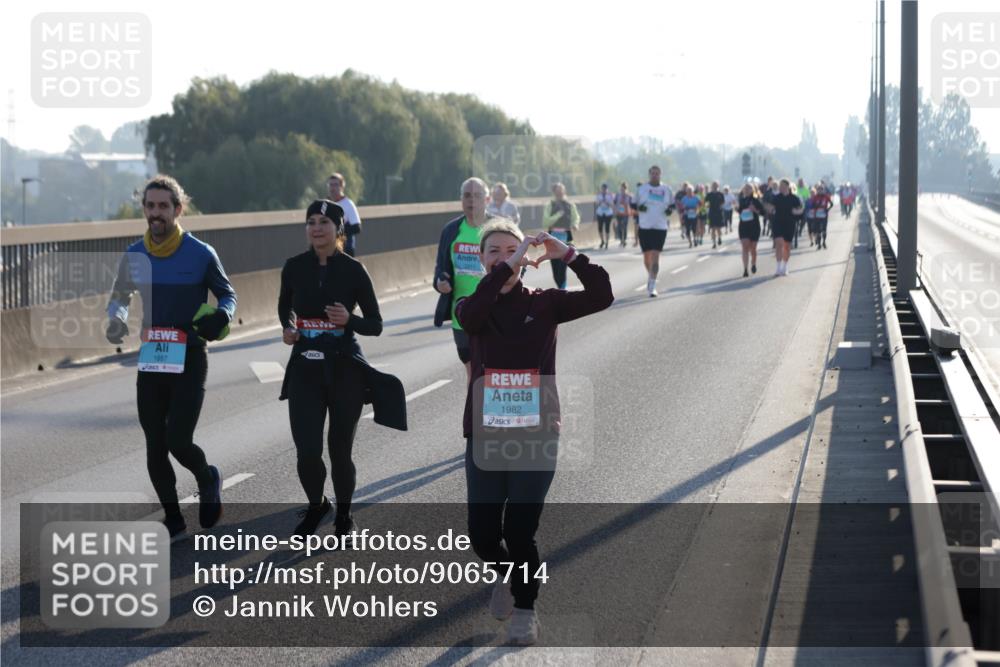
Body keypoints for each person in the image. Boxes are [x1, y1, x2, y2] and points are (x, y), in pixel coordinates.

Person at [456, 220, 614, 645]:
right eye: (494, 251)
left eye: (512, 249)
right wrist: (504, 271)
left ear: (527, 257)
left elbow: (603, 295)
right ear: (481, 258)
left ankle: (526, 606)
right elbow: (470, 319)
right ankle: (508, 575)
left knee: (520, 530)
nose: (504, 256)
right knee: (484, 535)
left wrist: (568, 255)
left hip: (538, 433)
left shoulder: (546, 303)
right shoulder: (473, 305)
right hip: (486, 434)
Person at [106, 175, 236, 542]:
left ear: (178, 210)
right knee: (154, 444)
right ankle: (174, 518)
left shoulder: (200, 253)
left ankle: (207, 476)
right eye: (150, 206)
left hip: (190, 356)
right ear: (144, 209)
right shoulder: (134, 255)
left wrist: (223, 315)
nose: (156, 213)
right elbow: (119, 296)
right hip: (153, 358)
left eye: (163, 206)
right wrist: (115, 319)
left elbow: (227, 293)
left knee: (178, 439)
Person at [278, 199, 405, 537]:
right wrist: (289, 329)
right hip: (305, 368)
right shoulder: (293, 267)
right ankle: (318, 504)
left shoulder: (353, 270)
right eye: (311, 222)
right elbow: (285, 310)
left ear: (339, 229)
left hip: (344, 369)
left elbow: (375, 325)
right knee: (306, 452)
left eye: (324, 222)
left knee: (339, 450)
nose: (316, 227)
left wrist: (350, 320)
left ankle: (345, 515)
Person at [433, 177, 493, 383]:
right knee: (472, 369)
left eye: (477, 196)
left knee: (489, 368)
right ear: (461, 200)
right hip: (462, 314)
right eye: (467, 196)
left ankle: (486, 413)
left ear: (487, 199)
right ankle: (475, 414)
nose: (472, 201)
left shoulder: (498, 228)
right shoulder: (451, 230)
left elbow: (516, 267)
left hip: (493, 311)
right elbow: (441, 269)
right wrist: (441, 283)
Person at [635, 166, 675, 296]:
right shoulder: (642, 189)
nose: (655, 175)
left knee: (655, 255)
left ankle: (652, 284)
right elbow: (632, 204)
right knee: (647, 257)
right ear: (649, 174)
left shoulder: (666, 189)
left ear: (660, 174)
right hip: (645, 226)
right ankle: (651, 276)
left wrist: (669, 210)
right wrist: (639, 208)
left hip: (660, 227)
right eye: (652, 173)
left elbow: (672, 205)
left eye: (657, 173)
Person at [541, 182, 581, 289]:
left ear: (564, 191)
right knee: (555, 269)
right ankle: (561, 289)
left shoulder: (570, 205)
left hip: (566, 238)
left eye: (561, 191)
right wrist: (558, 215)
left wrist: (575, 224)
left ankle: (562, 291)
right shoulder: (550, 205)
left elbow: (575, 217)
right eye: (557, 191)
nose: (560, 193)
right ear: (554, 192)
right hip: (552, 238)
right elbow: (545, 222)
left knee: (562, 266)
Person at [763, 178, 804, 276]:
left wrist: (797, 211)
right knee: (779, 244)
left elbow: (800, 210)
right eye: (780, 186)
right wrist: (768, 208)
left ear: (787, 187)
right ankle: (778, 268)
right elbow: (770, 208)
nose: (780, 187)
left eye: (782, 186)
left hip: (789, 223)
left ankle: (784, 266)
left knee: (787, 246)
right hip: (778, 223)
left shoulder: (794, 198)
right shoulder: (776, 197)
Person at [327, 173, 362, 257]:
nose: (333, 188)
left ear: (342, 186)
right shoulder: (326, 204)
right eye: (331, 185)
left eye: (336, 185)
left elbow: (357, 228)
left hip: (346, 249)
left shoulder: (348, 204)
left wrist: (337, 231)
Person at [737, 182, 766, 277]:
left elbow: (763, 213)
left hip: (754, 226)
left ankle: (753, 263)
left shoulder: (756, 201)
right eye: (745, 188)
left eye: (749, 188)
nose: (746, 190)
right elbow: (739, 211)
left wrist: (755, 210)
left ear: (752, 190)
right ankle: (745, 269)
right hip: (743, 226)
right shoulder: (741, 200)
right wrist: (736, 209)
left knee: (753, 248)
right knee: (745, 247)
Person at [810, 184, 833, 249]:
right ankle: (819, 244)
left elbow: (831, 204)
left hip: (824, 215)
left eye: (821, 190)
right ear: (817, 190)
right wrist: (815, 207)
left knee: (824, 230)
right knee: (818, 231)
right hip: (817, 216)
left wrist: (827, 209)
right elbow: (812, 205)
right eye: (819, 190)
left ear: (823, 190)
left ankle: (824, 242)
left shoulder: (826, 196)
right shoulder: (815, 197)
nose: (820, 191)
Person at [705, 181, 726, 249]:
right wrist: (707, 206)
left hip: (719, 212)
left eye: (716, 185)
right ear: (712, 186)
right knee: (713, 229)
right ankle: (714, 242)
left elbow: (723, 202)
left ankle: (719, 237)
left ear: (718, 186)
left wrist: (721, 207)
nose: (715, 187)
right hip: (712, 213)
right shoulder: (709, 194)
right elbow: (706, 202)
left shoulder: (720, 194)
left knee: (718, 228)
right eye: (713, 185)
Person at [594, 183, 615, 249]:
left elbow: (612, 204)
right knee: (600, 228)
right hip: (600, 213)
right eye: (603, 189)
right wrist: (600, 202)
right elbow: (596, 203)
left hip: (608, 213)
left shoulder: (610, 195)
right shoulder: (598, 195)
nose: (604, 190)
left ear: (607, 189)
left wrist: (607, 202)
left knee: (607, 228)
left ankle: (607, 242)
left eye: (605, 189)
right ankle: (602, 241)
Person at [680, 185, 700, 249]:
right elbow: (681, 206)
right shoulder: (684, 198)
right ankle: (690, 242)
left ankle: (695, 239)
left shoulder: (696, 197)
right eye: (688, 191)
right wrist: (684, 208)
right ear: (686, 192)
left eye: (690, 191)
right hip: (687, 215)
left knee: (694, 228)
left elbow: (700, 204)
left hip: (694, 215)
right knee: (687, 229)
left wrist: (697, 208)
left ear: (693, 191)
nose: (689, 192)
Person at [613, 182, 631, 248]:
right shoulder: (617, 195)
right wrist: (614, 210)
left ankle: (624, 239)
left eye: (624, 188)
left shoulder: (628, 195)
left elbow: (631, 203)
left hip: (626, 212)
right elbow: (614, 202)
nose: (623, 189)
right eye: (622, 188)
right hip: (619, 212)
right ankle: (621, 240)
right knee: (620, 227)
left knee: (625, 226)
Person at [631, 182, 642, 248]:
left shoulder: (645, 194)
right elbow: (632, 205)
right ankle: (636, 241)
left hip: (644, 215)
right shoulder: (635, 196)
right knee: (636, 228)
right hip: (637, 214)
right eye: (637, 187)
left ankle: (642, 241)